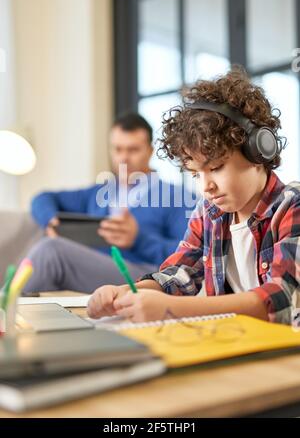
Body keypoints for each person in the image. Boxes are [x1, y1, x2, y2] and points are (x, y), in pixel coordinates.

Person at [87, 67, 300, 325]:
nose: (205, 186)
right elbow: (179, 274)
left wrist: (174, 309)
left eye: (215, 168)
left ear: (258, 153)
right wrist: (125, 292)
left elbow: (282, 297)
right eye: (196, 174)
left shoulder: (291, 206)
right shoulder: (209, 212)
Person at [24, 113, 195, 293]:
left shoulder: (177, 197)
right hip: (92, 270)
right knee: (49, 248)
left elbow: (190, 258)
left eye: (133, 150)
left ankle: (7, 311)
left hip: (145, 277)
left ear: (150, 151)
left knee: (52, 252)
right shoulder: (100, 192)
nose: (123, 158)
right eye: (117, 149)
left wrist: (138, 240)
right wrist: (50, 220)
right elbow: (42, 198)